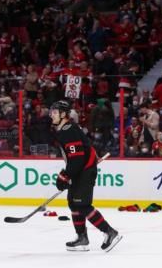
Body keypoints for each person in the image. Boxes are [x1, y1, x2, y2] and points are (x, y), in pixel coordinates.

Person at [49, 100, 122, 252]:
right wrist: (67, 175)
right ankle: (82, 238)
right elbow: (75, 159)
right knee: (73, 203)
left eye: (55, 112)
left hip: (85, 170)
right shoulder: (64, 129)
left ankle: (110, 232)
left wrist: (64, 176)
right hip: (80, 169)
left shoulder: (68, 130)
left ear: (63, 114)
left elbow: (77, 158)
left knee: (82, 204)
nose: (52, 115)